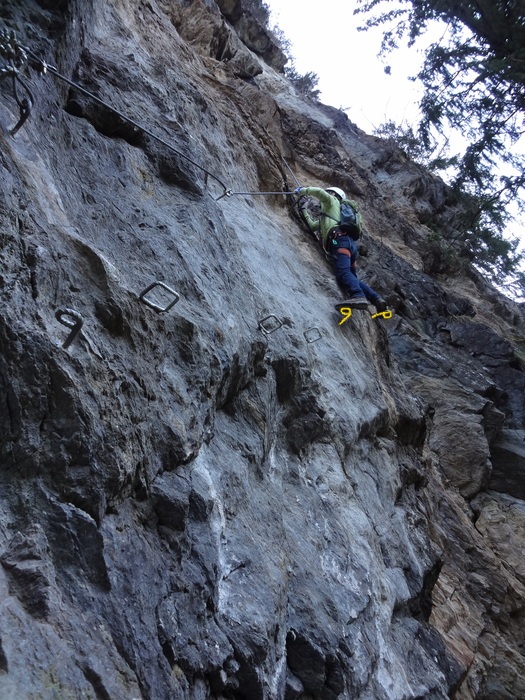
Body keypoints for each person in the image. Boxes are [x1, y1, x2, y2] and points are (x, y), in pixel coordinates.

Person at [295, 185, 387, 311]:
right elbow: (312, 226)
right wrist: (304, 209)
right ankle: (376, 299)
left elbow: (319, 193)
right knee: (351, 277)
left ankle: (358, 295)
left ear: (333, 194)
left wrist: (302, 190)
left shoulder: (332, 201)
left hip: (339, 241)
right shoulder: (329, 217)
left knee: (343, 273)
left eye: (329, 193)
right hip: (350, 245)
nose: (322, 201)